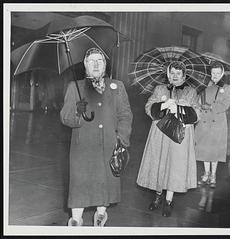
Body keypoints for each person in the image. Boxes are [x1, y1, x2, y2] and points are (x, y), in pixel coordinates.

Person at [60, 48, 133, 226]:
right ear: (85, 64)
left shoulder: (117, 86)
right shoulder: (75, 87)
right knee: (80, 187)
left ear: (105, 64)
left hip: (109, 145)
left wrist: (121, 138)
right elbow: (65, 118)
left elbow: (125, 114)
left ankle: (100, 218)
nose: (95, 64)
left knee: (104, 184)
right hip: (83, 148)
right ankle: (76, 221)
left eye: (99, 60)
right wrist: (78, 111)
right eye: (91, 60)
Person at [136, 61, 200, 217]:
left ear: (184, 76)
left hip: (179, 137)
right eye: (172, 73)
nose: (175, 76)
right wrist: (163, 105)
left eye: (179, 74)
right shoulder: (159, 89)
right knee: (159, 164)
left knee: (174, 168)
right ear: (168, 74)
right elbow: (148, 107)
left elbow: (197, 114)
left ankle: (169, 200)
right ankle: (157, 197)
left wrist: (178, 108)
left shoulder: (191, 92)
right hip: (160, 134)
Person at [194, 62, 230, 188]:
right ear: (210, 73)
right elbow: (198, 101)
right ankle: (206, 174)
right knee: (205, 149)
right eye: (213, 73)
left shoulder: (227, 88)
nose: (215, 75)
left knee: (215, 150)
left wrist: (210, 106)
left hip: (218, 123)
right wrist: (199, 104)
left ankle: (213, 175)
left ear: (221, 74)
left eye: (217, 73)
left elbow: (225, 105)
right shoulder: (204, 86)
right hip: (205, 121)